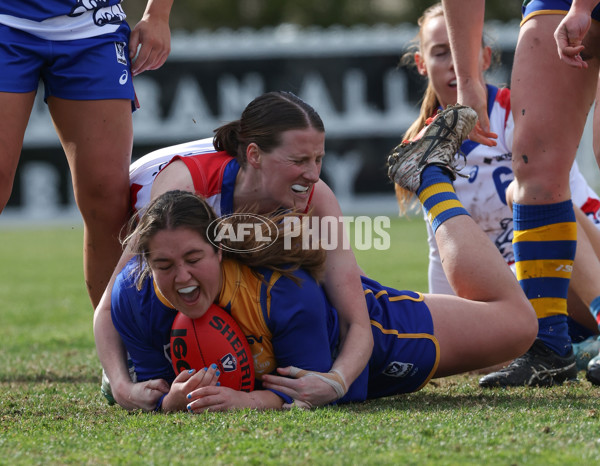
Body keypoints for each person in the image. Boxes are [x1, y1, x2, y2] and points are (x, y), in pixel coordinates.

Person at [107, 157, 537, 412]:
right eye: (164, 264)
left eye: (193, 259)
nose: (181, 277)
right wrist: (168, 400)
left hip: (366, 338)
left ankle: (430, 181)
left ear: (219, 250)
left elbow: (308, 388)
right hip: (320, 328)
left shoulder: (281, 291)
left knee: (518, 326)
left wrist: (251, 401)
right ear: (145, 262)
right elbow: (160, 390)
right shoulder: (134, 296)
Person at [94, 91, 374, 411]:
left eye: (318, 159)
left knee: (365, 293)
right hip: (150, 179)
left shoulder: (315, 196)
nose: (313, 173)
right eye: (299, 160)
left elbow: (358, 319)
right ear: (254, 155)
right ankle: (127, 359)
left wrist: (335, 381)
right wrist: (119, 383)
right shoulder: (183, 189)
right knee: (152, 283)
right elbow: (108, 306)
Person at [399, 3, 600, 381]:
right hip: (527, 289)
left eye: (454, 50)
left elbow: (576, 205)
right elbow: (439, 247)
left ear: (486, 57)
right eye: (438, 52)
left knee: (526, 190)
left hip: (584, 264)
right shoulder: (424, 142)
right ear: (421, 63)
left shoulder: (511, 111)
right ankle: (555, 346)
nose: (450, 64)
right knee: (474, 344)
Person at [0, 1, 173, 308]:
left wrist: (157, 14)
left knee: (107, 195)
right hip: (6, 20)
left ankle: (118, 347)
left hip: (93, 24)